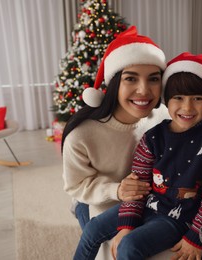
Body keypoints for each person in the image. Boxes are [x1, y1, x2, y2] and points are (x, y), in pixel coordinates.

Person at [73, 52, 202, 260]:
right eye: (178, 98)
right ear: (166, 99)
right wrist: (126, 224)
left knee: (129, 246)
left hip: (178, 217)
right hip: (149, 203)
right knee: (93, 229)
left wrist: (195, 235)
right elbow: (137, 185)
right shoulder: (153, 137)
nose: (187, 107)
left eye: (197, 99)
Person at [62, 25, 168, 231]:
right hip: (96, 198)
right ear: (114, 83)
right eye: (131, 78)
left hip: (146, 198)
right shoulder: (81, 135)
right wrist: (116, 190)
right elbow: (75, 185)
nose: (144, 90)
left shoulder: (165, 116)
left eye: (153, 79)